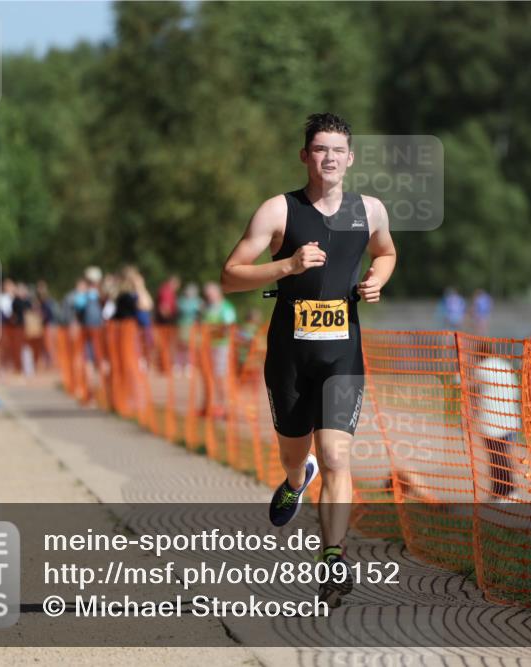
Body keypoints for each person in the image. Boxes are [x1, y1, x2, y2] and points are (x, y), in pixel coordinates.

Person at [221, 112, 397, 608]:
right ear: (305, 156)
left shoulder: (371, 211)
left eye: (338, 150)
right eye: (320, 150)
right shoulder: (279, 211)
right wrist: (287, 266)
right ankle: (296, 482)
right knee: (295, 456)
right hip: (290, 356)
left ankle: (333, 557)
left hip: (343, 353)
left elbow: (386, 252)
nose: (330, 159)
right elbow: (230, 276)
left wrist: (378, 279)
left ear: (351, 158)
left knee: (339, 455)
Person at [468, 346, 523, 500]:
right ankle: (500, 491)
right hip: (511, 419)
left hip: (491, 422)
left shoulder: (482, 369)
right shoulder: (505, 365)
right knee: (505, 455)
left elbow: (471, 391)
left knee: (497, 459)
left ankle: (506, 491)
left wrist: (470, 416)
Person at [201, 281, 237, 418]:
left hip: (222, 347)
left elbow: (228, 328)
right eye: (207, 295)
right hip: (209, 347)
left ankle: (225, 407)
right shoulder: (208, 308)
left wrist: (214, 331)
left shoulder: (226, 308)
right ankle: (211, 405)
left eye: (210, 294)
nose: (208, 297)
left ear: (217, 293)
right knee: (210, 377)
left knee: (220, 377)